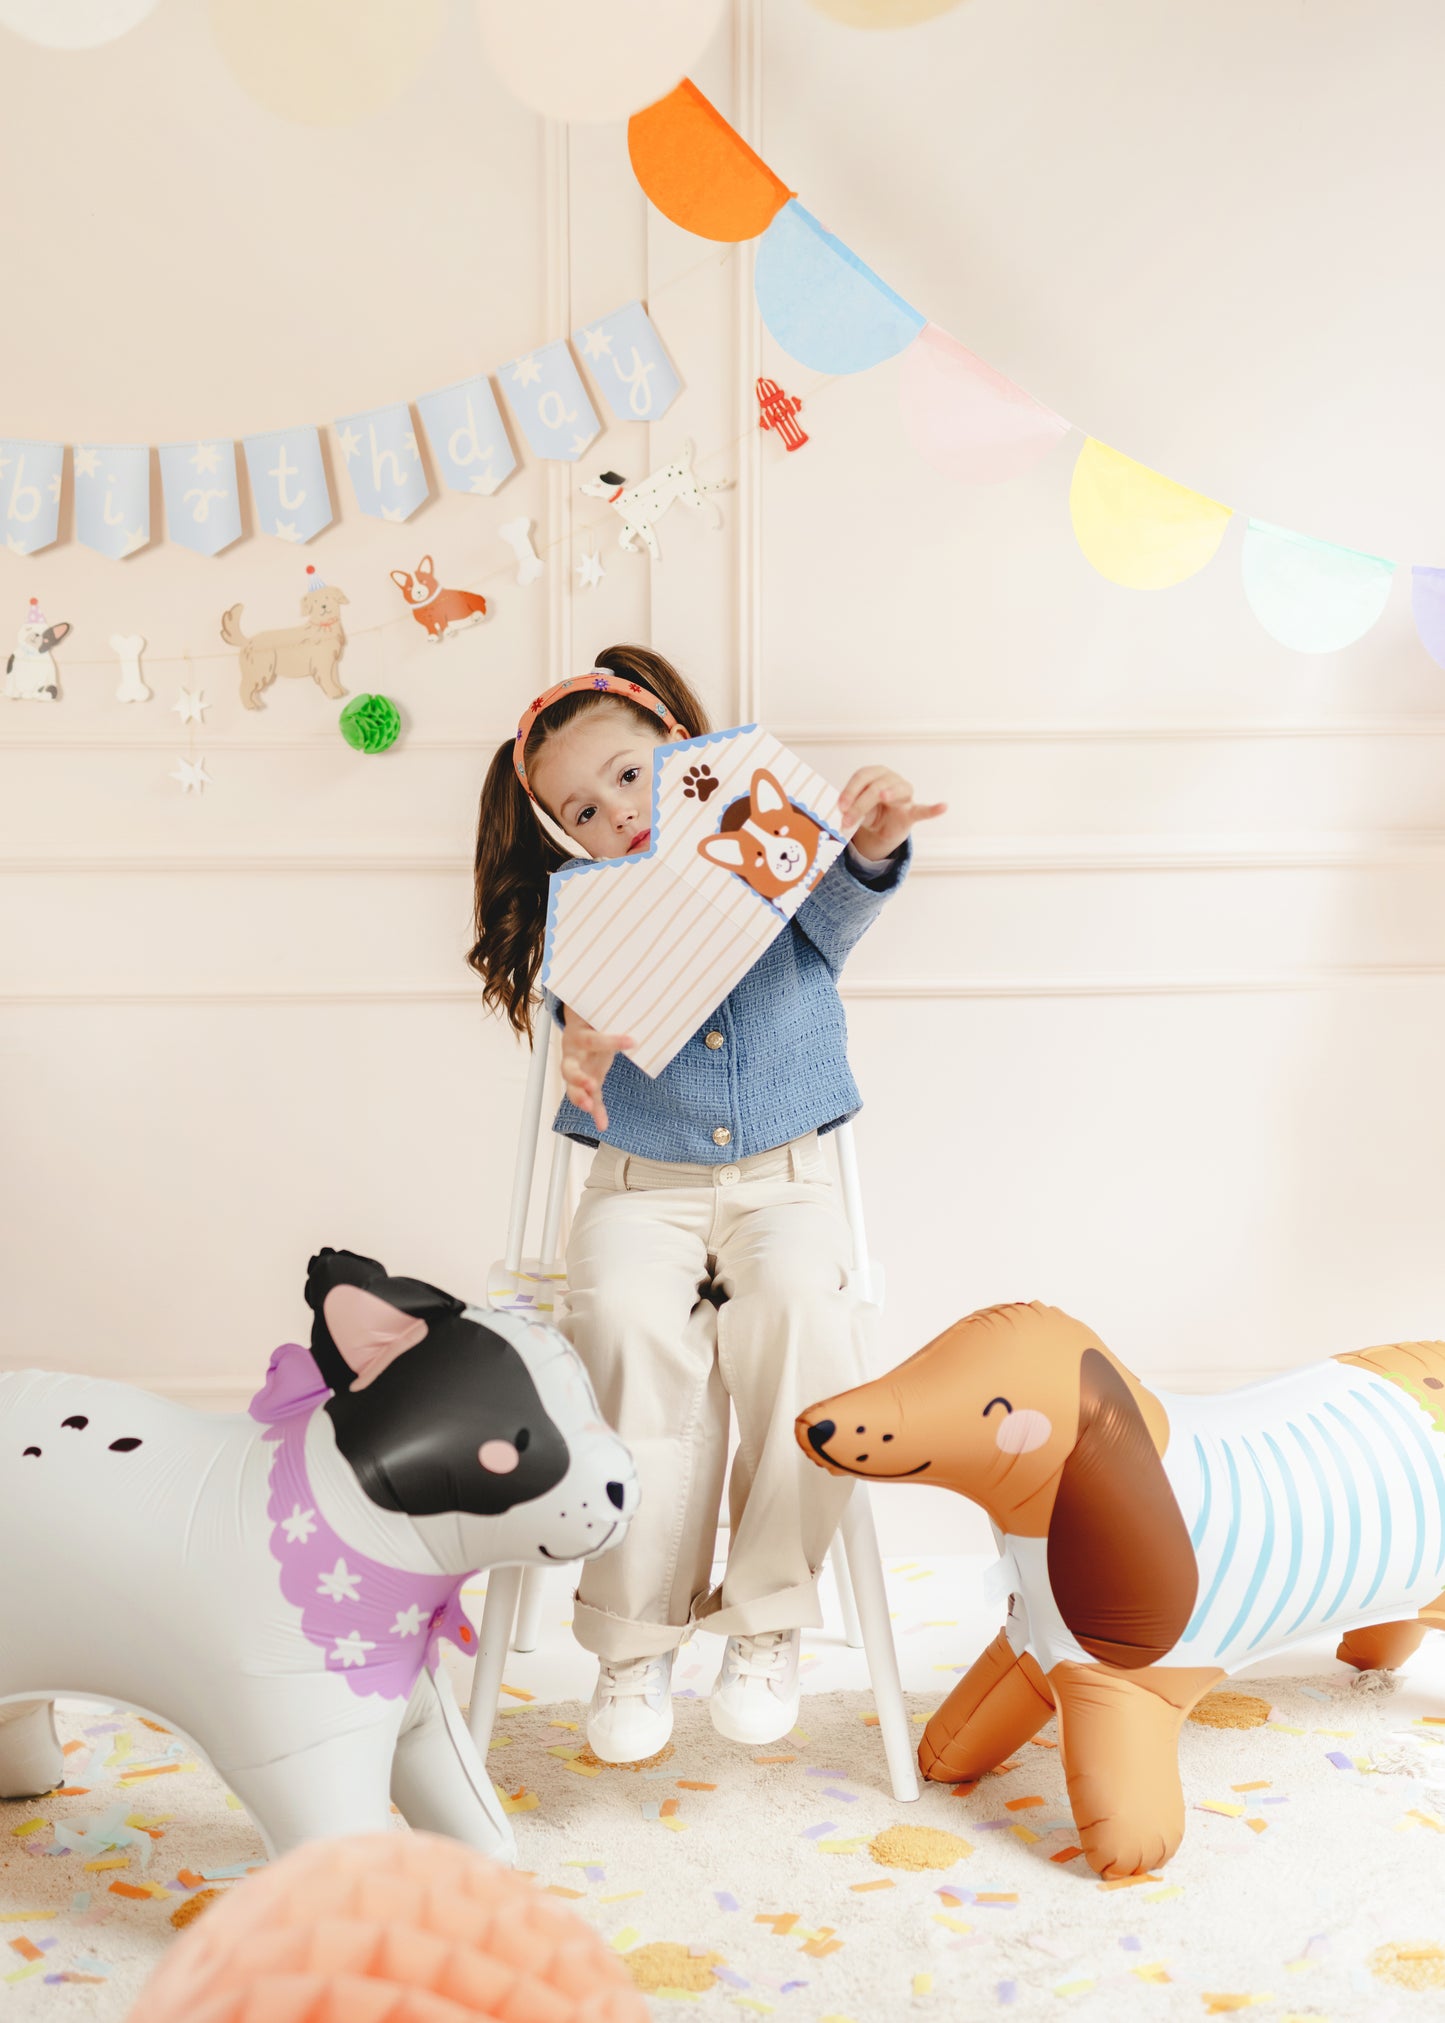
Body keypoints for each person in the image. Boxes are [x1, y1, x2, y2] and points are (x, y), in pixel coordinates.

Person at [469, 645, 943, 1760]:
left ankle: (766, 1616)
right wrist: (574, 1043)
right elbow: (565, 1017)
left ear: (681, 750)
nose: (616, 814)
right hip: (638, 1185)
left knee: (800, 1321)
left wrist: (871, 833)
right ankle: (634, 1638)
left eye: (630, 776)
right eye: (582, 809)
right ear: (562, 834)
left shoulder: (762, 852)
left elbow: (846, 899)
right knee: (627, 1333)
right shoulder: (583, 920)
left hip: (785, 1178)